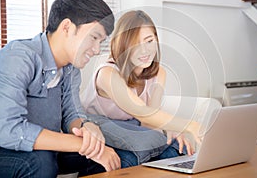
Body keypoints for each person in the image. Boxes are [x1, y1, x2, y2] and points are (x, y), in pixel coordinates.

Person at [0, 0, 138, 178]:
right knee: (40, 163)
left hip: (46, 149)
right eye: (93, 37)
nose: (97, 50)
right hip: (6, 149)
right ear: (66, 27)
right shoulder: (19, 56)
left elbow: (72, 114)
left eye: (101, 42)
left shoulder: (71, 68)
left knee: (118, 154)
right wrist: (82, 144)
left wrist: (87, 127)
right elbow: (8, 130)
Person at [80, 10, 201, 165]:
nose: (144, 50)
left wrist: (168, 129)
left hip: (134, 130)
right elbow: (143, 113)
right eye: (135, 44)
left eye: (149, 41)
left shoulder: (159, 73)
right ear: (122, 45)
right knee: (132, 156)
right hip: (98, 127)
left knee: (176, 149)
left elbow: (149, 120)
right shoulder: (107, 74)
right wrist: (190, 125)